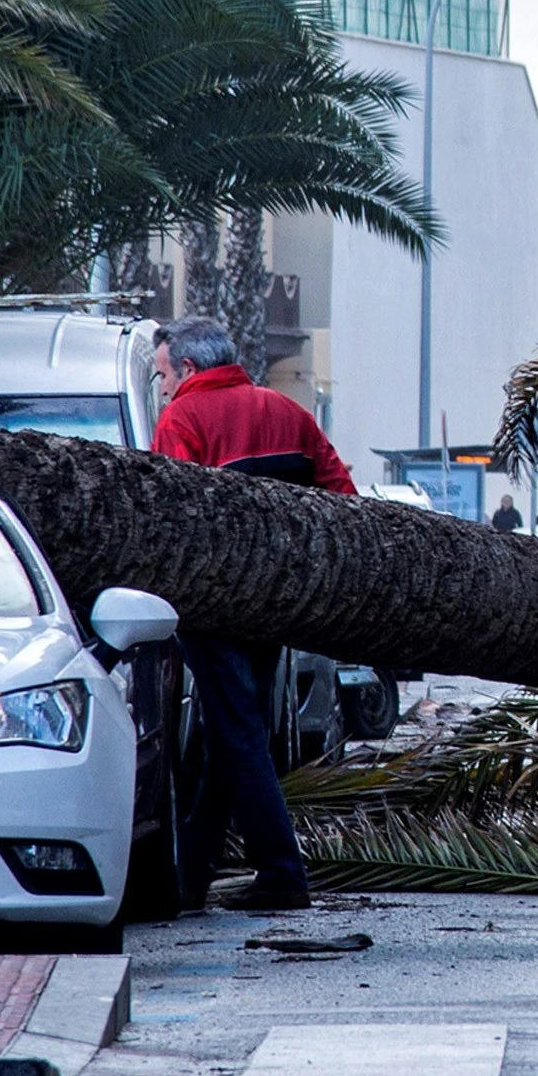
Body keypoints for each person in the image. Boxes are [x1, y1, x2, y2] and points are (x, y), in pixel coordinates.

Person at [148, 315, 349, 911]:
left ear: (187, 369)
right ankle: (194, 876)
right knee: (234, 734)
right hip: (278, 604)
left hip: (215, 606)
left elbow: (173, 518)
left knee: (237, 733)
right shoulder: (288, 413)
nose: (160, 387)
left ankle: (283, 872)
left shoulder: (181, 420)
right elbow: (343, 497)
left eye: (162, 374)